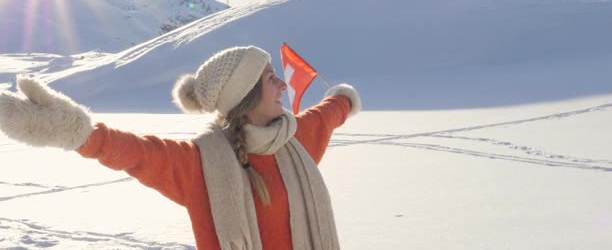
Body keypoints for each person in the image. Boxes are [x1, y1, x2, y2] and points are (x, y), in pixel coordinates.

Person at [0, 45, 361, 250]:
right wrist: (75, 131)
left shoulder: (296, 140)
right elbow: (136, 151)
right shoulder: (201, 165)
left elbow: (329, 112)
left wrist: (343, 97)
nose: (283, 84)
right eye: (271, 79)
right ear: (246, 95)